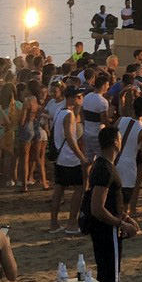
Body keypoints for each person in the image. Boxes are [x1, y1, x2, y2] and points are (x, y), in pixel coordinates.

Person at [87, 126, 139, 282]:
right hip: (106, 229)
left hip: (107, 226)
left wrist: (126, 217)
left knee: (107, 274)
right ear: (116, 142)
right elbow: (97, 207)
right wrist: (121, 224)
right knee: (107, 277)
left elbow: (110, 201)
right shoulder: (105, 169)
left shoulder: (103, 165)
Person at [49, 87, 88, 235]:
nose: (81, 100)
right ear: (72, 98)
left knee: (59, 188)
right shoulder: (69, 115)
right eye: (79, 97)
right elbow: (71, 138)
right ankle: (72, 223)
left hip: (60, 157)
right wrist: (81, 157)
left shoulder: (60, 111)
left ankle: (54, 223)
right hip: (69, 157)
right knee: (78, 188)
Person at [113, 106, 142, 218]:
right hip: (129, 165)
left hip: (115, 159)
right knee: (125, 197)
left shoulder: (120, 120)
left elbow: (111, 135)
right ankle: (124, 217)